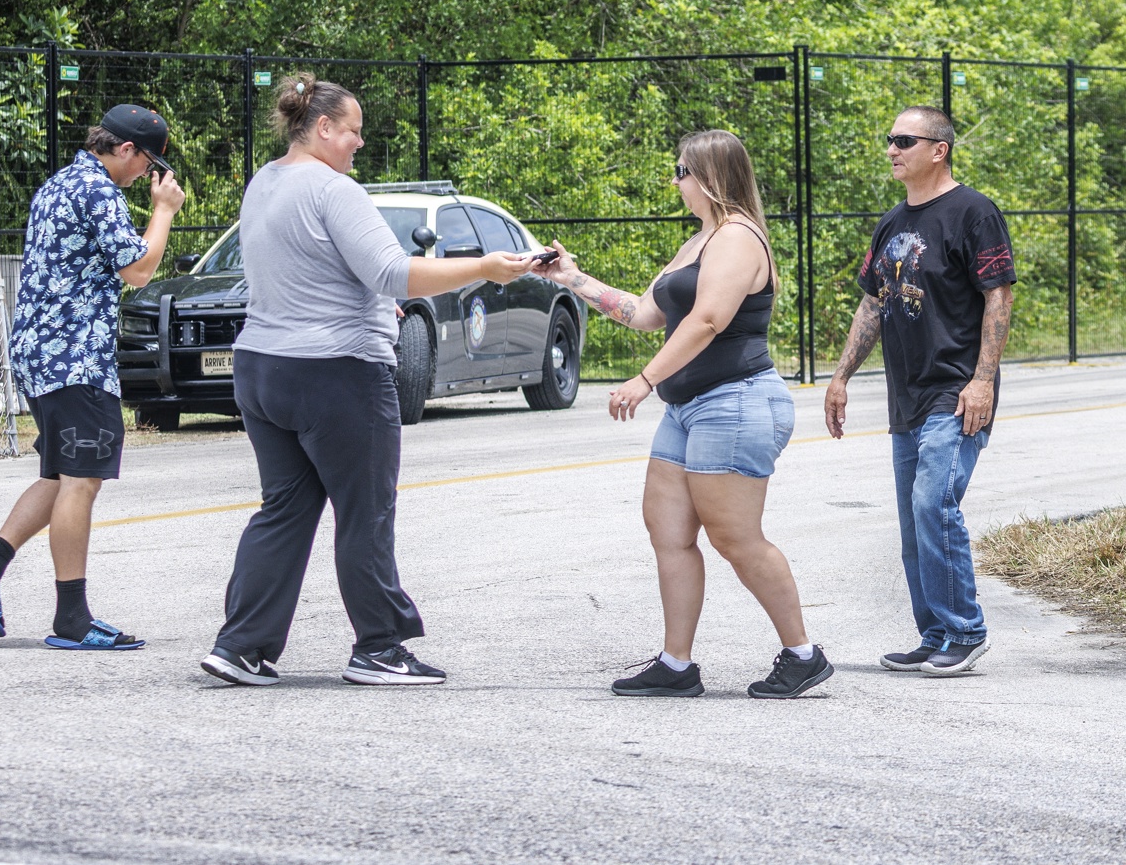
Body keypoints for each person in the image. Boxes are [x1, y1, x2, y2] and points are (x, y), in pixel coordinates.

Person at [200, 76, 536, 688]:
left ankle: (241, 645)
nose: (359, 142)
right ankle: (380, 648)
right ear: (322, 127)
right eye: (352, 129)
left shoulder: (264, 182)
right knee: (366, 512)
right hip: (336, 373)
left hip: (262, 368)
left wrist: (376, 308)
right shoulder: (336, 190)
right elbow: (390, 273)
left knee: (284, 508)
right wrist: (485, 267)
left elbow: (307, 272)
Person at [537, 129, 829, 700]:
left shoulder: (739, 238)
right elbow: (646, 313)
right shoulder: (699, 240)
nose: (675, 181)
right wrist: (570, 277)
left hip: (737, 401)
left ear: (710, 177)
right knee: (668, 531)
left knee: (735, 537)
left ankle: (803, 654)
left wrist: (645, 379)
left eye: (681, 171)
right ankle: (677, 664)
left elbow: (708, 320)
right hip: (690, 407)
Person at [0, 106, 186, 651]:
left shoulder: (59, 183)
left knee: (59, 474)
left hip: (39, 354)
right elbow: (138, 269)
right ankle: (72, 619)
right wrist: (164, 210)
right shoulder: (98, 191)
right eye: (149, 162)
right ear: (127, 150)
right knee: (84, 481)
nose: (149, 174)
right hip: (77, 357)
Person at [823, 106, 1015, 677]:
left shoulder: (974, 213)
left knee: (935, 503)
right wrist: (840, 376)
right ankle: (935, 634)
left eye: (904, 140)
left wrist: (982, 380)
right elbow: (874, 301)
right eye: (889, 140)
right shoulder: (891, 223)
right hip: (906, 393)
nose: (891, 149)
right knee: (914, 520)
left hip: (955, 391)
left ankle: (966, 630)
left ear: (940, 149)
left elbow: (998, 297)